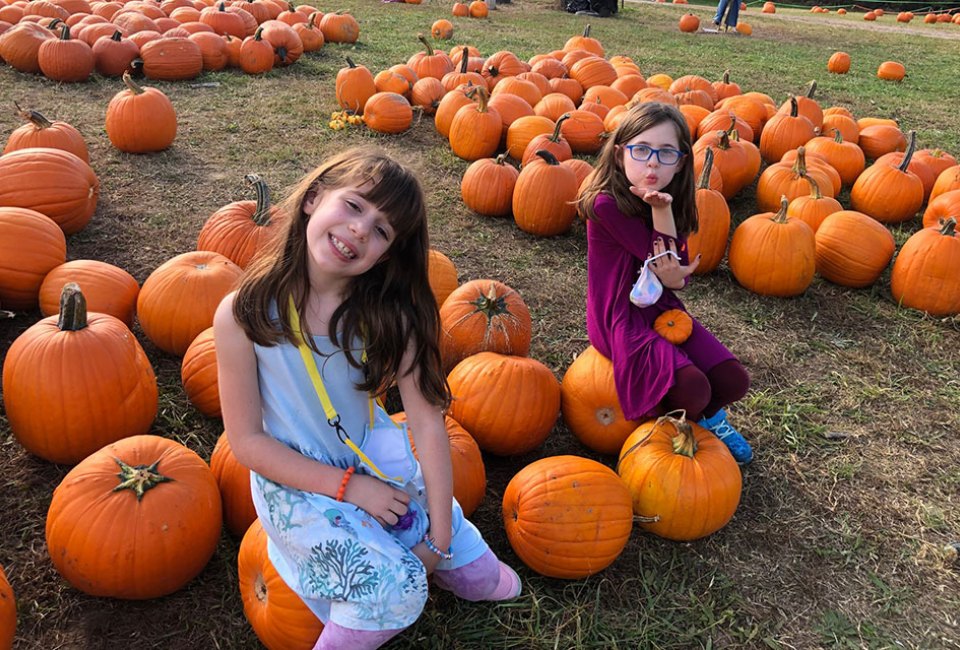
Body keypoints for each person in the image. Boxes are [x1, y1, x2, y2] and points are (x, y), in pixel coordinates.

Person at [214, 147, 521, 650]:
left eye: (381, 231)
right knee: (391, 585)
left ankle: (459, 567)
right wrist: (350, 490)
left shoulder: (389, 316)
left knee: (454, 543)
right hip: (294, 479)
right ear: (314, 198)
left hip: (367, 452)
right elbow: (246, 443)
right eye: (355, 206)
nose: (360, 230)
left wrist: (439, 543)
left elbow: (425, 424)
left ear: (387, 254)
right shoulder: (242, 314)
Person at [577, 103, 753, 464]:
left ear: (681, 162)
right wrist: (661, 214)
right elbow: (665, 266)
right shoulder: (604, 204)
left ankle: (704, 419)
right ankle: (674, 423)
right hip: (617, 317)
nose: (652, 162)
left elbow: (675, 272)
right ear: (620, 153)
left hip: (661, 310)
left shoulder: (674, 203)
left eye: (666, 152)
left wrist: (665, 219)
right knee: (694, 386)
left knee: (733, 379)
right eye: (641, 150)